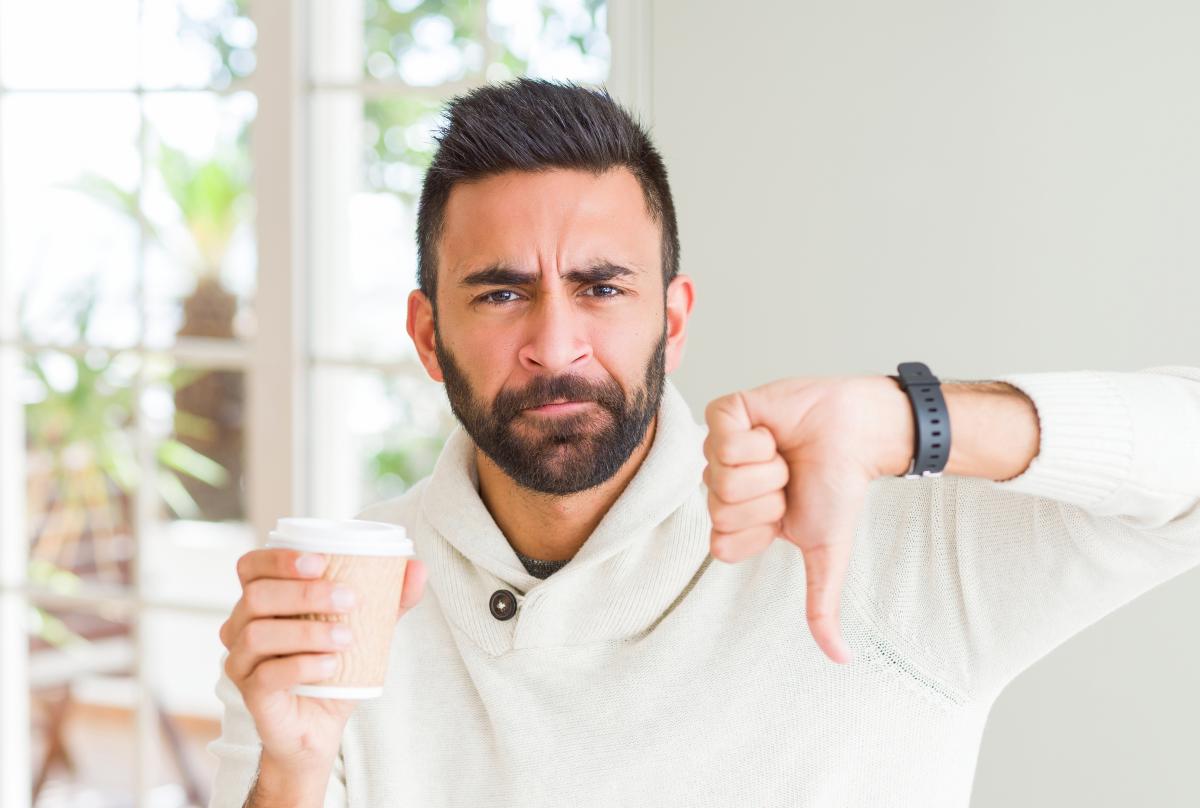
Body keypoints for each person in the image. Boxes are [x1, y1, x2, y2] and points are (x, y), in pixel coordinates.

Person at [208, 78, 1200, 807]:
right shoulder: (337, 614)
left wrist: (913, 419)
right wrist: (288, 771)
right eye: (502, 292)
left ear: (674, 321)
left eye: (603, 287)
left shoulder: (881, 545)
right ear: (428, 335)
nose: (557, 344)